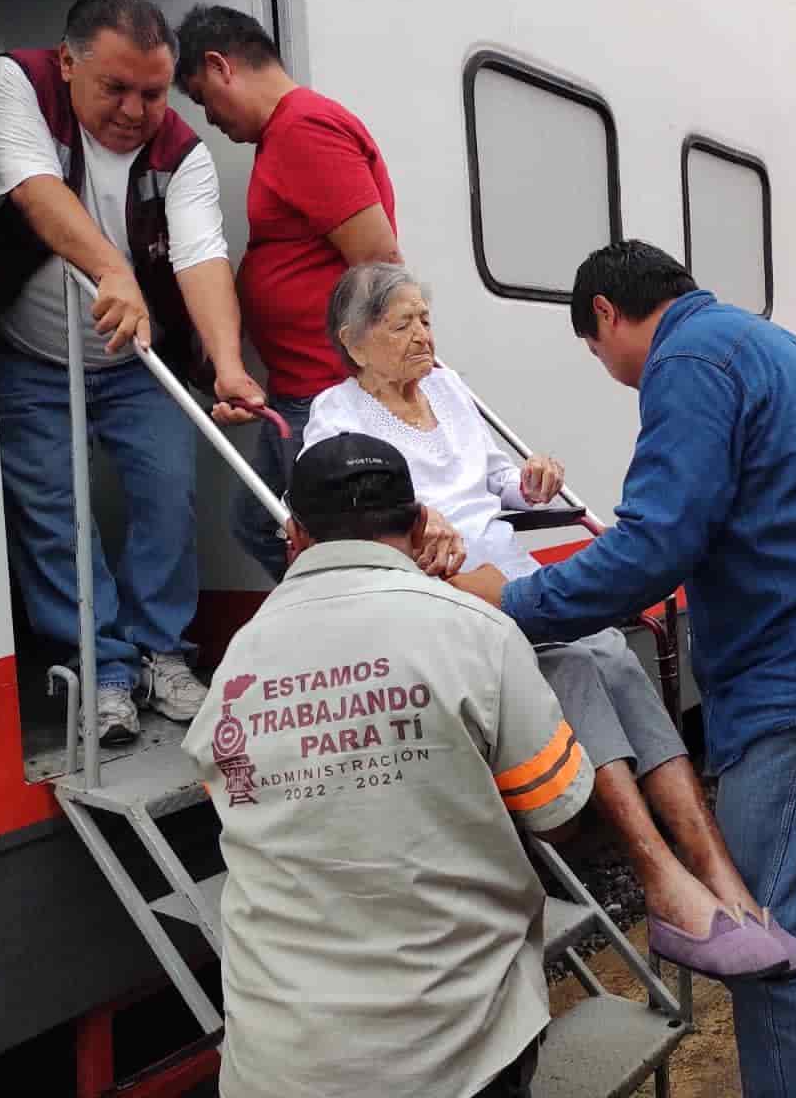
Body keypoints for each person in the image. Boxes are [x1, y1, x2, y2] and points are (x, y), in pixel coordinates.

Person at [450, 240, 796, 1097]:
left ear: (607, 314)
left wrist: (508, 604)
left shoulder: (685, 361)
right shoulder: (767, 343)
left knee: (777, 944)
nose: (607, 367)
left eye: (594, 348)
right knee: (795, 926)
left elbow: (656, 542)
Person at [302, 262, 796, 980]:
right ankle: (661, 877)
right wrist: (410, 517)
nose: (423, 335)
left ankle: (714, 872)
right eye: (403, 322)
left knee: (613, 653)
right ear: (354, 342)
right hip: (434, 593)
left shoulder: (446, 387)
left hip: (508, 579)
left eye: (426, 318)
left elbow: (494, 481)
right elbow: (334, 505)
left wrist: (529, 476)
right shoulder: (337, 415)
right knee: (574, 667)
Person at [184, 432, 591, 1098]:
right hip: (462, 1052)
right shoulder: (475, 630)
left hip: (279, 1067)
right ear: (417, 522)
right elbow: (558, 815)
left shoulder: (237, 660)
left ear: (294, 534)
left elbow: (238, 806)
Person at [0, 0, 265, 743]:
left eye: (152, 92)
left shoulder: (183, 152)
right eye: (116, 88)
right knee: (56, 517)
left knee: (168, 499)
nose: (137, 111)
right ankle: (100, 668)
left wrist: (228, 365)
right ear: (70, 62)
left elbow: (203, 252)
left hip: (137, 359)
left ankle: (160, 651)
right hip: (31, 357)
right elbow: (37, 194)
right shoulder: (20, 83)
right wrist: (118, 272)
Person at [173, 4, 403, 582]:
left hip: (328, 392)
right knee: (261, 523)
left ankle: (355, 635)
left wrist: (378, 387)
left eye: (204, 99)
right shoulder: (284, 136)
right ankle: (345, 627)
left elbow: (378, 260)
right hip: (299, 389)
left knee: (315, 540)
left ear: (222, 65)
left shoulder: (302, 128)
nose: (211, 120)